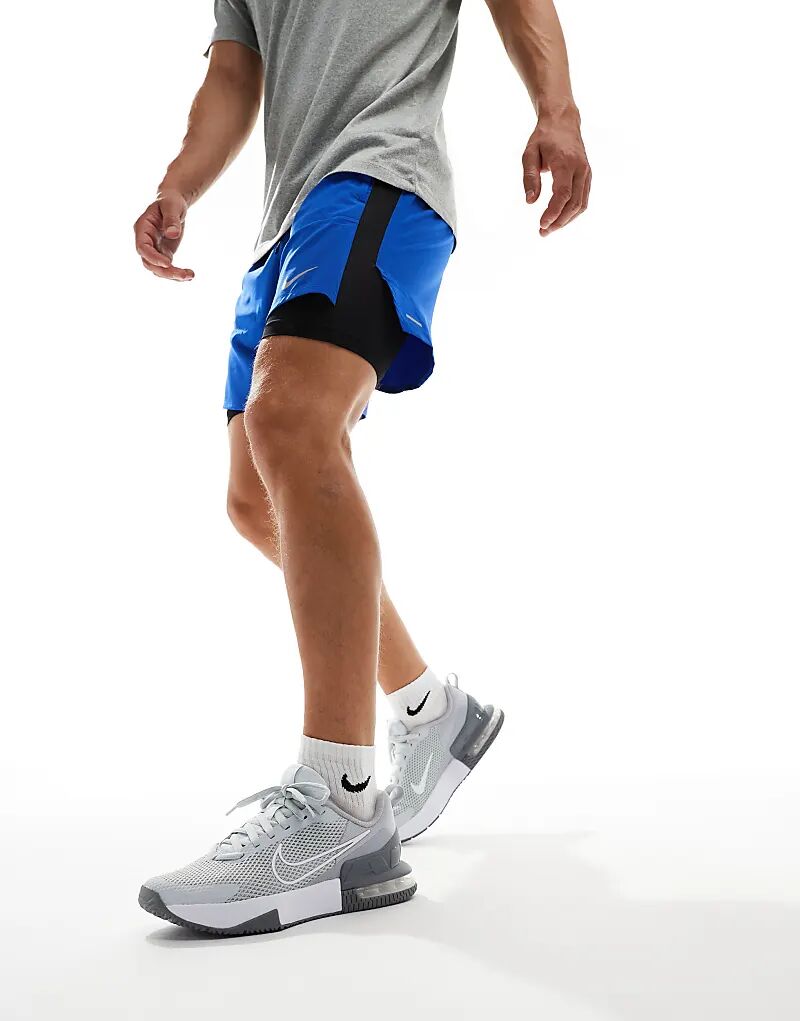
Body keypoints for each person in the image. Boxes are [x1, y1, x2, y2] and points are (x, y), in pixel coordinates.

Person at [134, 0, 590, 937]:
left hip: (381, 174)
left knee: (292, 422)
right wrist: (179, 185)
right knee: (256, 499)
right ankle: (433, 711)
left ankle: (341, 808)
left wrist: (558, 109)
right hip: (286, 218)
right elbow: (234, 72)